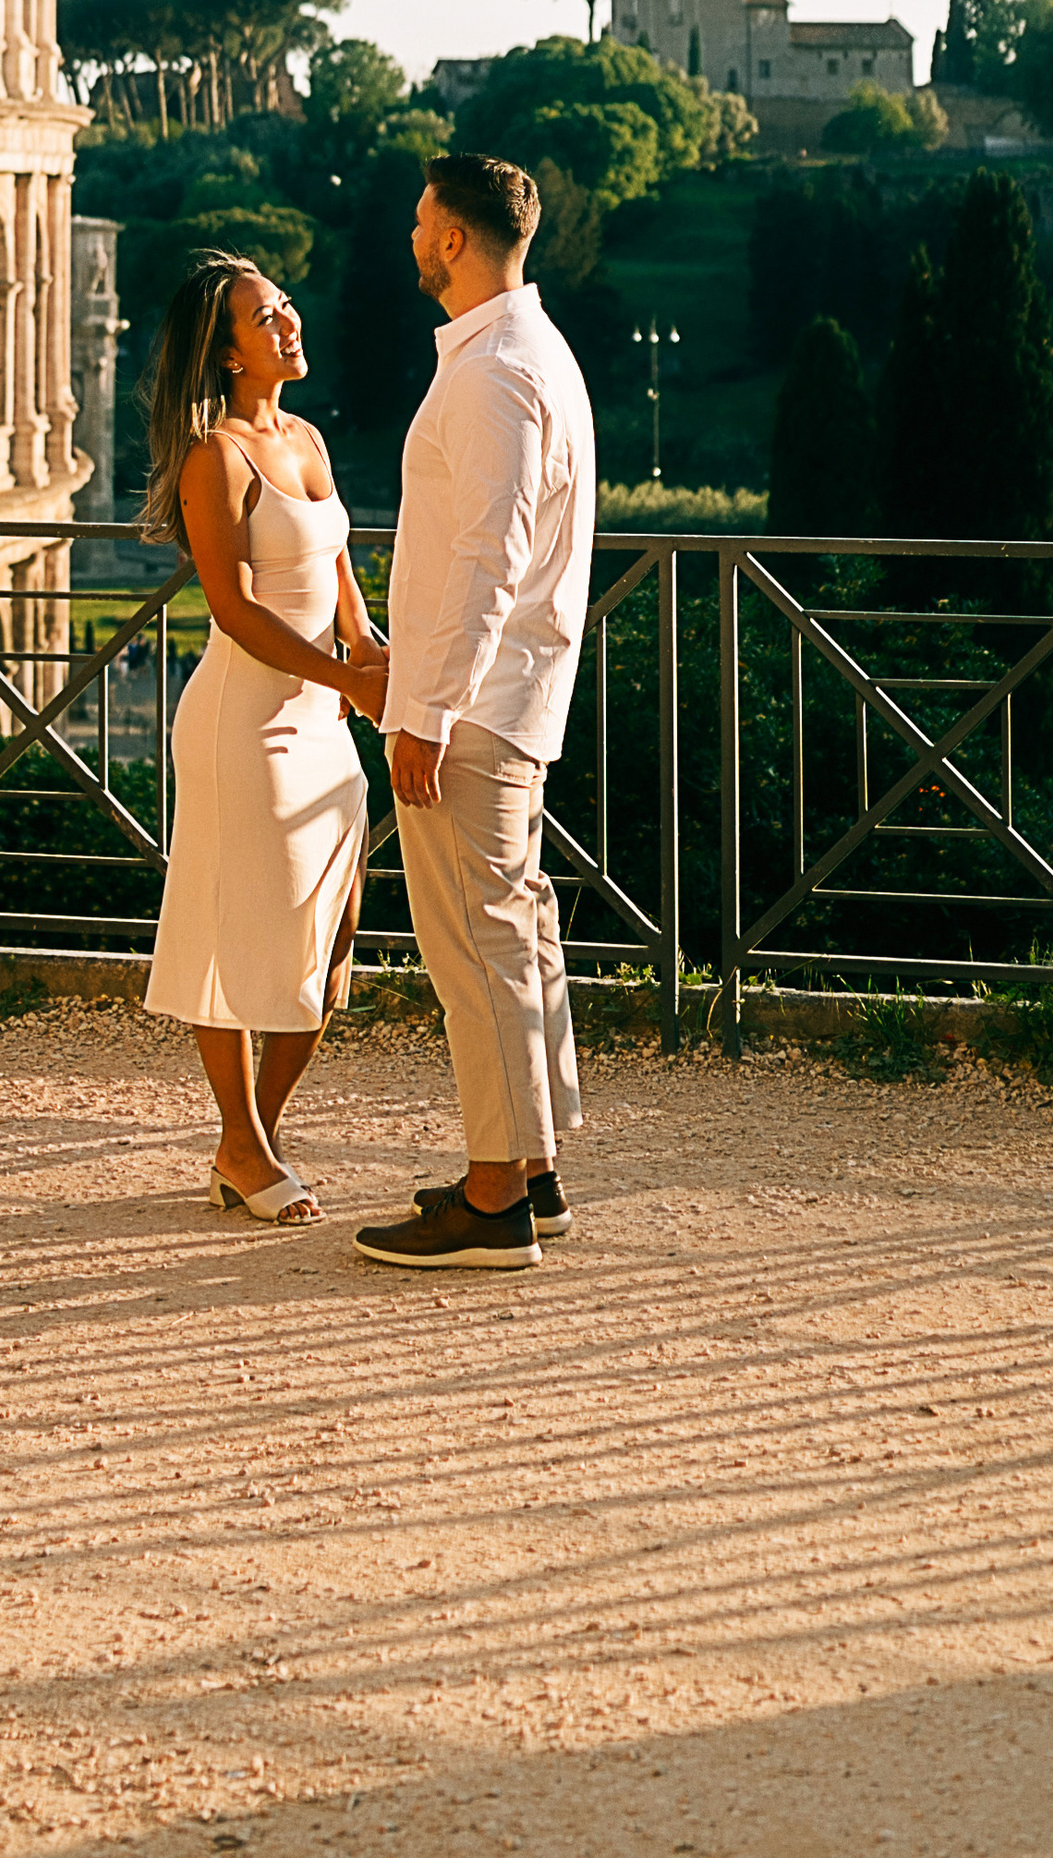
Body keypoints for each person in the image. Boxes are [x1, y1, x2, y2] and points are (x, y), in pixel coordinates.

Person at [354, 154, 595, 1273]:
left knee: (479, 945)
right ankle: (532, 1171)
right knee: (516, 927)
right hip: (508, 695)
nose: (410, 237)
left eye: (419, 222)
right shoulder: (526, 352)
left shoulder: (495, 369)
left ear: (453, 239)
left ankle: (494, 1194)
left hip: (477, 706)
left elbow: (486, 556)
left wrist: (429, 709)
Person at [141, 250, 391, 1224]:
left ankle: (250, 1140)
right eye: (264, 315)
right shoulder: (215, 456)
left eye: (285, 304)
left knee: (327, 953)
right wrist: (344, 679)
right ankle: (245, 1146)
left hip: (323, 725)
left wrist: (368, 651)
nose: (289, 322)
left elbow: (338, 574)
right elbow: (234, 610)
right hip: (244, 723)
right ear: (228, 351)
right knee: (233, 934)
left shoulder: (307, 436)